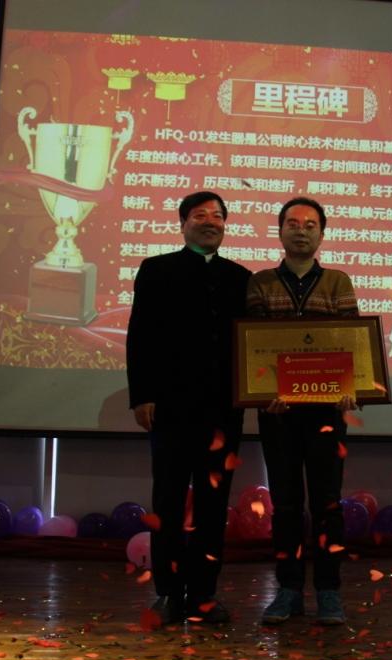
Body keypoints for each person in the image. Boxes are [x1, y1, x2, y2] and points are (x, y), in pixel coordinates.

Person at [126, 191, 251, 625]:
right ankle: (167, 593)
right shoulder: (157, 269)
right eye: (200, 215)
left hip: (222, 411)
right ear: (183, 224)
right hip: (170, 409)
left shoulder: (241, 277)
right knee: (168, 501)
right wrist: (141, 395)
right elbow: (140, 336)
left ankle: (203, 594)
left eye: (218, 216)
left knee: (214, 506)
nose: (210, 221)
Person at [246, 196, 359, 625]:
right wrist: (263, 391)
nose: (301, 230)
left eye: (310, 224)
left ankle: (329, 592)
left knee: (328, 505)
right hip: (278, 413)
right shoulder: (259, 283)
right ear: (280, 231)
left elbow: (350, 341)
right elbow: (255, 345)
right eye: (292, 223)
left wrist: (350, 386)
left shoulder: (338, 282)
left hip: (327, 413)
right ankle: (288, 590)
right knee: (287, 506)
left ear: (321, 234)